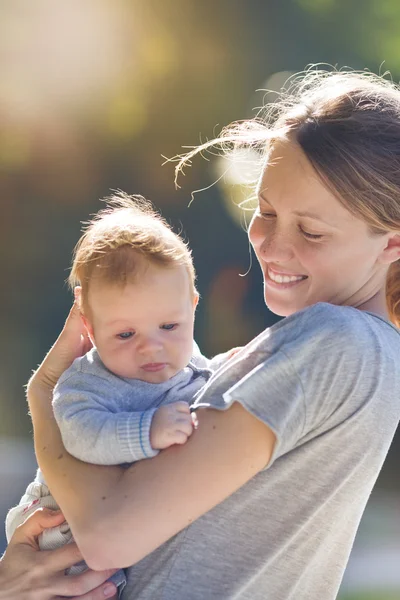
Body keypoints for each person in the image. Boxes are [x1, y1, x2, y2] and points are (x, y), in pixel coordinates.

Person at [4, 67, 400, 599]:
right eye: (265, 211)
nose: (271, 245)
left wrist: (47, 402)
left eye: (310, 231)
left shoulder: (340, 340)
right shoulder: (354, 351)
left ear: (392, 245)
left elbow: (106, 534)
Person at [5, 194, 228, 597]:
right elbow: (79, 437)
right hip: (58, 522)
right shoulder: (86, 383)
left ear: (193, 307)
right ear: (89, 328)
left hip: (122, 521)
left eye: (169, 326)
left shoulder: (194, 365)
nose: (151, 348)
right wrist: (147, 429)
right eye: (125, 334)